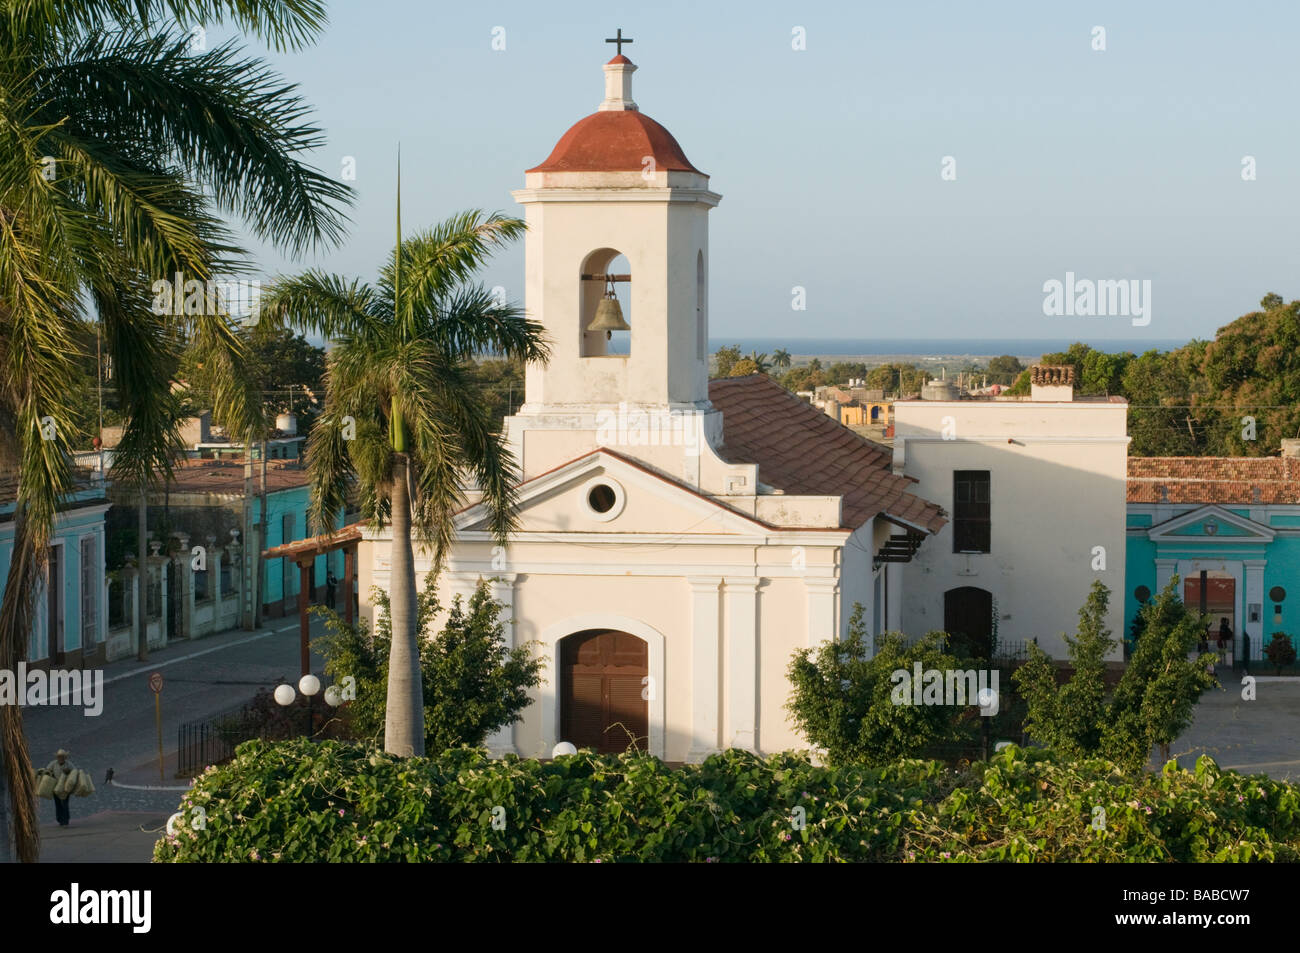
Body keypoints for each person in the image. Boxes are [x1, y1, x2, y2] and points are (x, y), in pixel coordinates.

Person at [44, 749, 77, 827]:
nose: (61, 758)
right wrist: (50, 774)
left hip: (65, 788)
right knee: (58, 804)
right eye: (59, 757)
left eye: (62, 757)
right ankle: (60, 819)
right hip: (55, 787)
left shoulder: (69, 765)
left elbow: (75, 772)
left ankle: (65, 821)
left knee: (65, 804)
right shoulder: (53, 764)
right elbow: (47, 771)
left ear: (65, 757)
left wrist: (69, 773)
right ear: (57, 757)